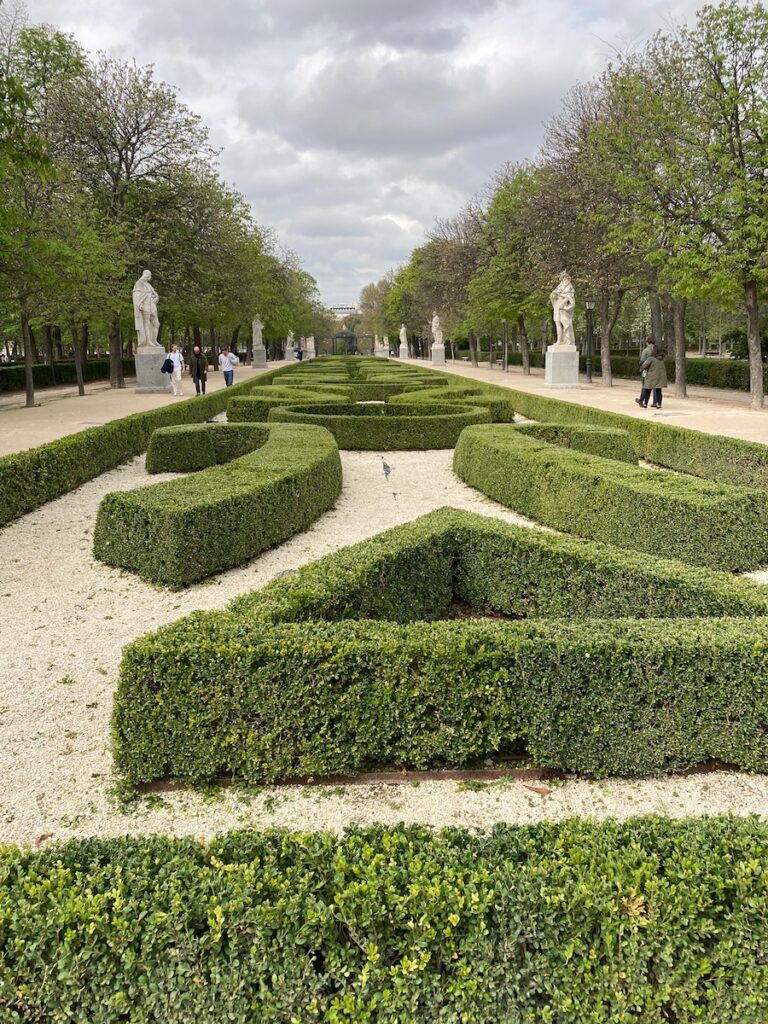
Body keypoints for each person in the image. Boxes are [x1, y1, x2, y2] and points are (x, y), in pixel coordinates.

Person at [636, 344, 668, 409]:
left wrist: (641, 368)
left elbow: (644, 366)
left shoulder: (651, 359)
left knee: (648, 390)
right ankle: (659, 404)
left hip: (651, 377)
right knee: (659, 391)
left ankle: (645, 403)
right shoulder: (661, 360)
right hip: (660, 378)